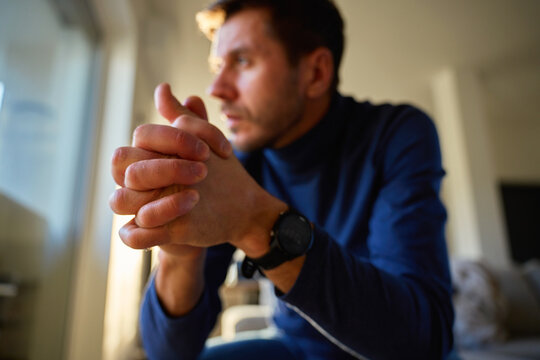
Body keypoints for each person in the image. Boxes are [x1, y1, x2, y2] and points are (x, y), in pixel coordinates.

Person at [109, 0, 455, 359]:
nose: (217, 88)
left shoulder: (397, 135)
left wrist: (255, 220)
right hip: (296, 350)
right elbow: (169, 353)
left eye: (242, 61)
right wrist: (180, 254)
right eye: (217, 66)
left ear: (316, 73)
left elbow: (423, 340)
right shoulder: (239, 165)